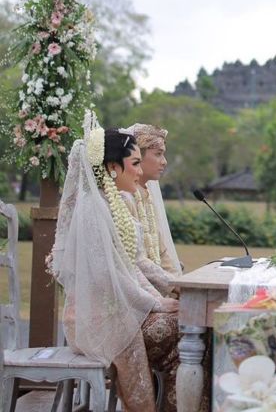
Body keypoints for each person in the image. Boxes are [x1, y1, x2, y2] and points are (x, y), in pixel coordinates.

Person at [50, 116, 189, 412]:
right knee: (188, 330)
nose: (139, 172)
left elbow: (134, 263)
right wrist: (156, 304)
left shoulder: (119, 204)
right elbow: (106, 276)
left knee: (193, 331)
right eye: (135, 163)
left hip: (125, 308)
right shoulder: (91, 211)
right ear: (113, 168)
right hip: (96, 318)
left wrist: (173, 289)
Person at [121, 123, 182, 289]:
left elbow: (161, 251)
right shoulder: (123, 198)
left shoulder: (147, 195)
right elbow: (135, 259)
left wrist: (180, 284)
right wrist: (175, 286)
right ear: (138, 156)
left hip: (159, 287)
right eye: (158, 154)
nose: (164, 162)